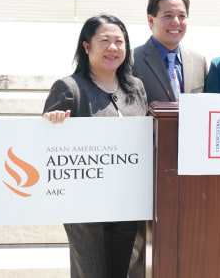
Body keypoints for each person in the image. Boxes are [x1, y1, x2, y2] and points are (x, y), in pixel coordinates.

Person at [43, 14, 149, 278]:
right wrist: (50, 123)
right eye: (105, 41)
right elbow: (46, 146)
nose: (113, 48)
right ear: (86, 46)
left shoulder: (135, 88)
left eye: (119, 41)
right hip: (85, 212)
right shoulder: (69, 88)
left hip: (126, 207)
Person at [129, 0, 207, 278]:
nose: (176, 22)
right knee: (142, 249)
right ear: (151, 20)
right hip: (145, 169)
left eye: (182, 16)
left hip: (189, 173)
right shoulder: (131, 61)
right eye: (168, 16)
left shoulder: (199, 61)